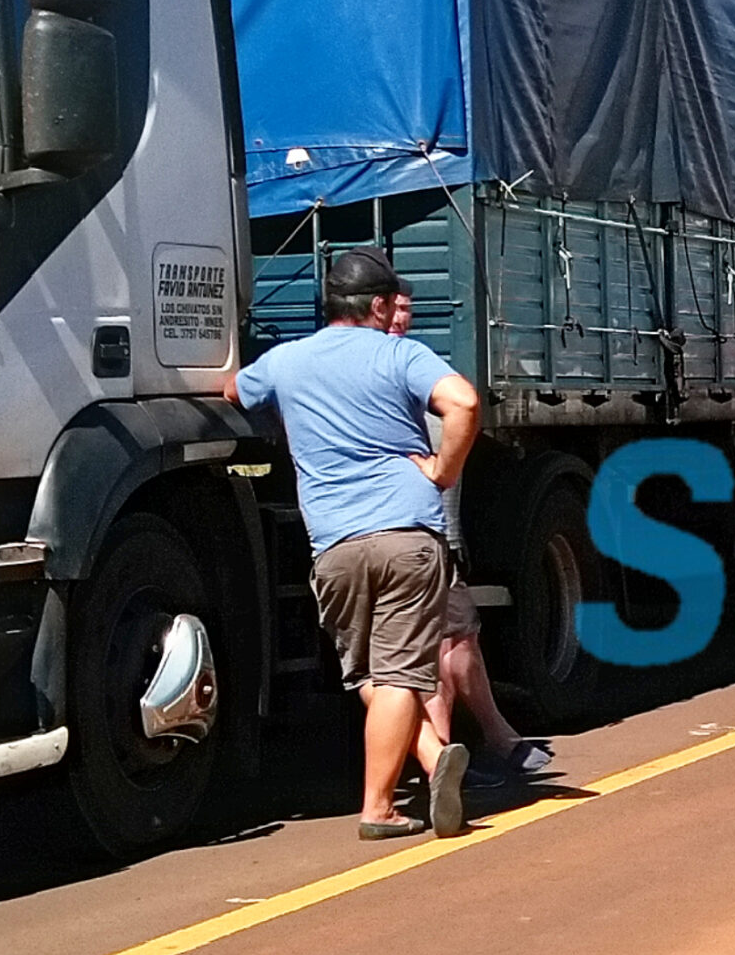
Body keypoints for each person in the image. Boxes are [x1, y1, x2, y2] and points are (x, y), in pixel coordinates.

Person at [227, 249, 475, 841]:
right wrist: (442, 469)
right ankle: (380, 807)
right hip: (406, 536)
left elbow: (234, 391)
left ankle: (434, 758)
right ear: (381, 305)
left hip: (334, 543)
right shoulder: (400, 353)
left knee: (366, 672)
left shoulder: (287, 360)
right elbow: (462, 401)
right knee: (398, 675)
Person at [381, 293, 554, 780]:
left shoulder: (420, 367)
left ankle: (476, 742)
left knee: (458, 638)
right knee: (439, 645)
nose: (399, 319)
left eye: (406, 310)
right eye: (390, 309)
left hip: (439, 533)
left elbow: (462, 414)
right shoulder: (377, 379)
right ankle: (454, 753)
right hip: (410, 536)